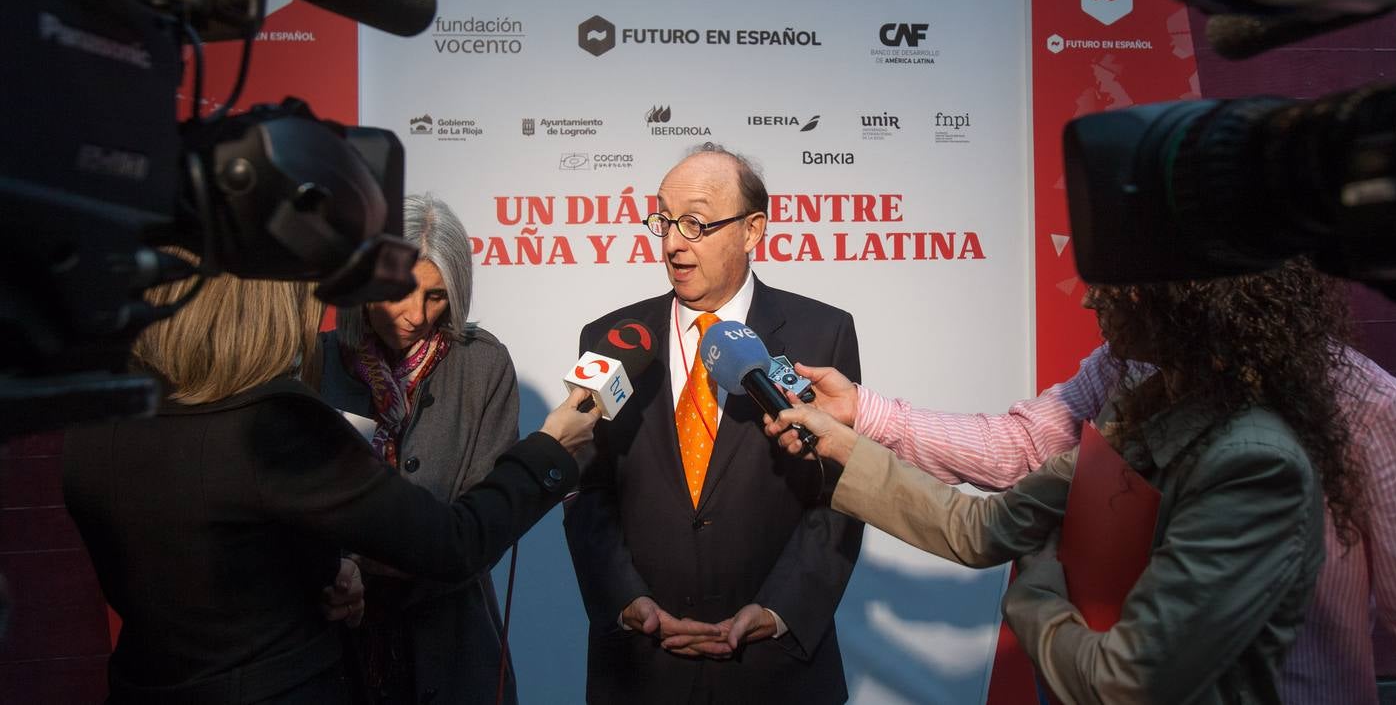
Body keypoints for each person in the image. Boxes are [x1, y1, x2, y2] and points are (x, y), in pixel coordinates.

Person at [778, 295, 1396, 704]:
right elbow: (1015, 460)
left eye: (1119, 275)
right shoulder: (1136, 381)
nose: (1093, 299)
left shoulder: (1375, 412)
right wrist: (860, 416)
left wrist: (1038, 594)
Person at [62, 260, 599, 705]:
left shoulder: (94, 427)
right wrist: (552, 449)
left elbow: (219, 544)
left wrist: (329, 569)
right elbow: (453, 542)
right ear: (263, 315)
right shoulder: (273, 425)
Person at [563, 144, 864, 704]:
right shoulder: (611, 339)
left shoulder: (822, 334)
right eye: (664, 221)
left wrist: (779, 611)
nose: (673, 243)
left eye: (696, 223)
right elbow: (589, 492)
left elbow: (841, 495)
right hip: (642, 668)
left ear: (752, 231)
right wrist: (626, 599)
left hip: (774, 672)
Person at [319, 193, 524, 705]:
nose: (415, 315)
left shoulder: (484, 364)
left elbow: (484, 523)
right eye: (399, 291)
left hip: (454, 650)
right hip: (334, 652)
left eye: (436, 296)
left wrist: (371, 563)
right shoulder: (313, 363)